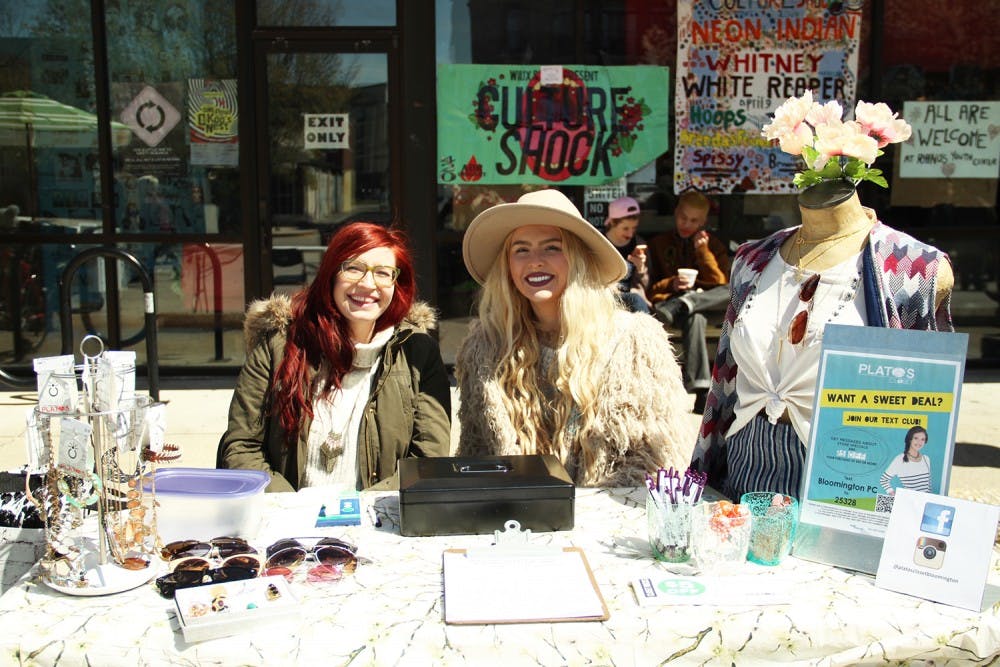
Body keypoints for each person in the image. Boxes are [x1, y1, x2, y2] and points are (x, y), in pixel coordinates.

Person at [691, 180, 954, 501]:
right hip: (746, 456)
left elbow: (921, 403)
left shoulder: (915, 267)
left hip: (845, 470)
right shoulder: (753, 259)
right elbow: (727, 373)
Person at [454, 189, 696, 487]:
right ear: (508, 265)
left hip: (608, 512)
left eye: (552, 248)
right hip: (515, 511)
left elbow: (658, 465)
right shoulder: (485, 349)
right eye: (521, 250)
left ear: (577, 258)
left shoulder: (631, 344)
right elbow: (476, 456)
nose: (535, 261)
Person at [218, 222, 452, 492]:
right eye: (353, 268)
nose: (367, 284)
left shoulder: (417, 353)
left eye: (382, 273)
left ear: (397, 284)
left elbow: (427, 461)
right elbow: (242, 447)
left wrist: (361, 507)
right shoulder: (279, 344)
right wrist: (293, 508)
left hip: (379, 514)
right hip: (286, 514)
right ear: (331, 273)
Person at [647, 191, 731, 412]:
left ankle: (688, 302)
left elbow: (720, 283)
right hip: (671, 306)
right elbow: (650, 287)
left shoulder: (713, 245)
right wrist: (672, 283)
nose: (687, 224)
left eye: (694, 220)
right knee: (696, 317)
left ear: (703, 222)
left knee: (732, 290)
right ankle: (702, 392)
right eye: (683, 218)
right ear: (676, 213)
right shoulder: (659, 244)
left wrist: (703, 252)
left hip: (707, 303)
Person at [603, 196, 650, 313]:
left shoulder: (639, 243)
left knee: (636, 299)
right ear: (612, 222)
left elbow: (646, 286)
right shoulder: (599, 243)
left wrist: (641, 269)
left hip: (634, 300)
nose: (630, 234)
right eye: (625, 228)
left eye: (634, 228)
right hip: (606, 299)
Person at [880, 426, 932, 494]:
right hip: (909, 499)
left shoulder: (926, 459)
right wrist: (894, 495)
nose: (919, 442)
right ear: (910, 439)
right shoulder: (900, 459)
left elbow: (929, 484)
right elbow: (883, 480)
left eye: (922, 439)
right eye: (916, 438)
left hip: (925, 500)